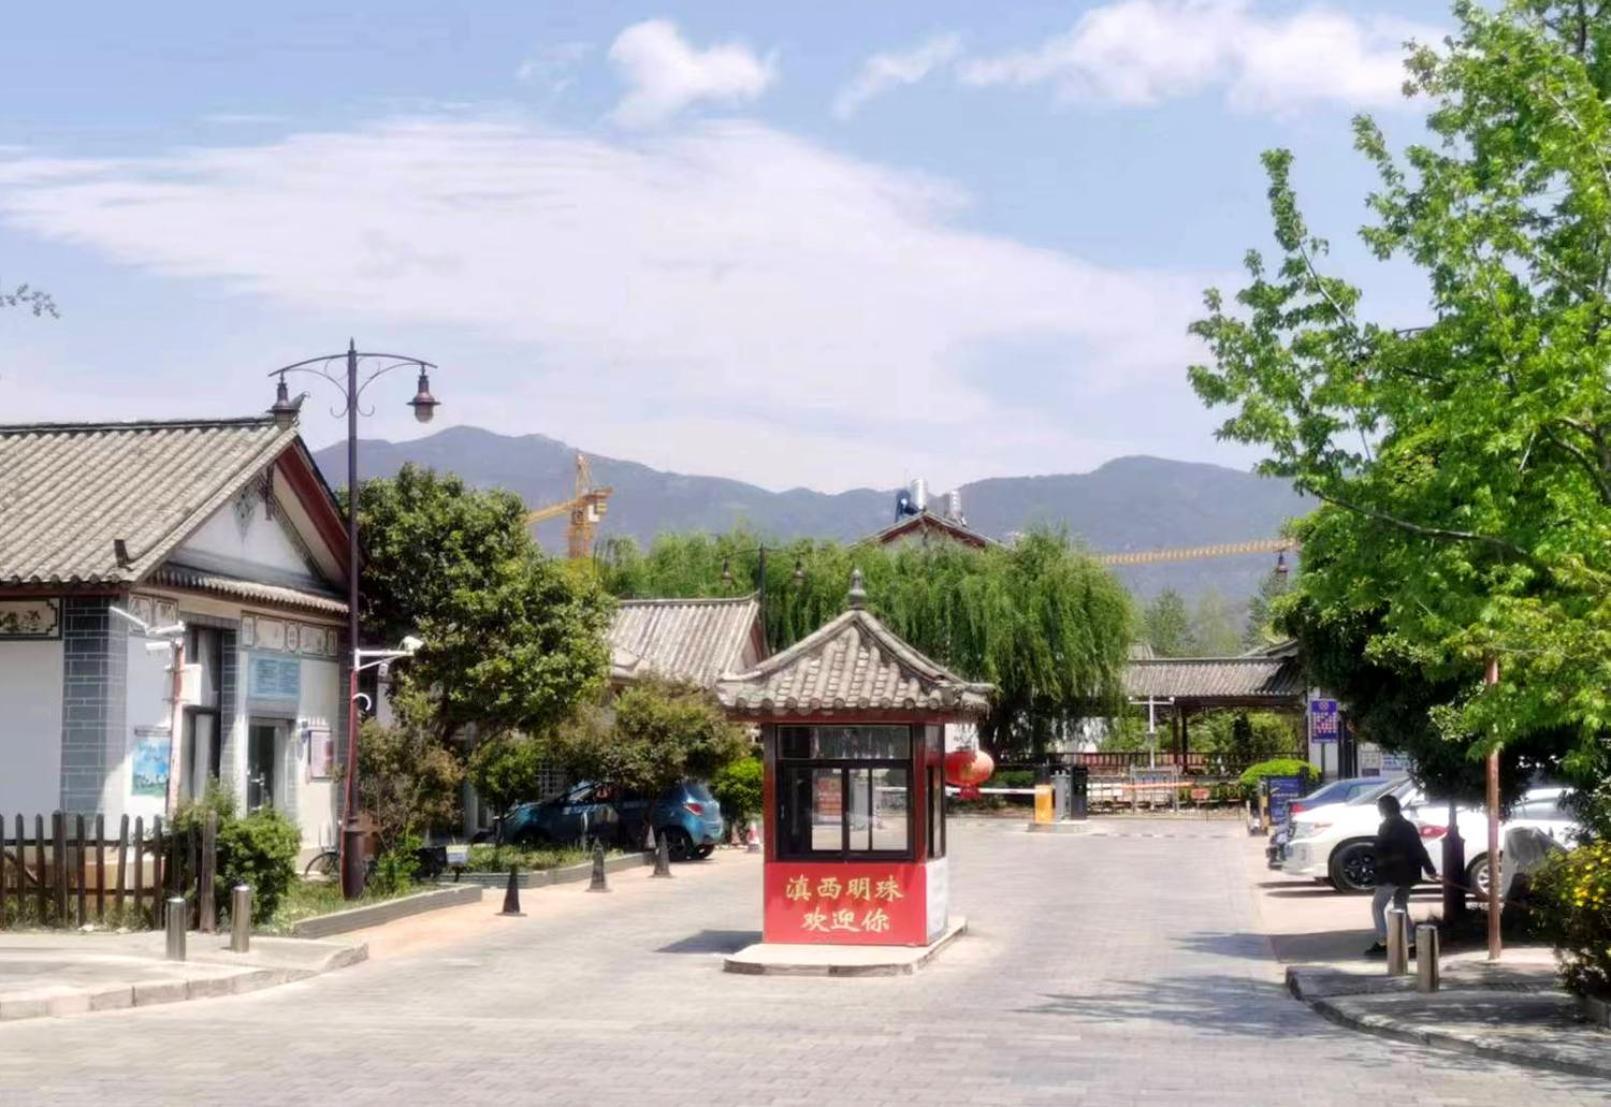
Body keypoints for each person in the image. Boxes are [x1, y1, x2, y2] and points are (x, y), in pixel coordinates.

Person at [1365, 792, 1437, 956]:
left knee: (1377, 906)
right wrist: (1430, 869)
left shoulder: (1386, 826)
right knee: (1400, 905)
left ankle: (1383, 940)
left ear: (1384, 809)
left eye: (1380, 808)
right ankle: (1410, 941)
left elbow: (1382, 850)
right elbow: (1420, 849)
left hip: (1391, 874)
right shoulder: (1408, 825)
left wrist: (1373, 855)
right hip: (1408, 875)